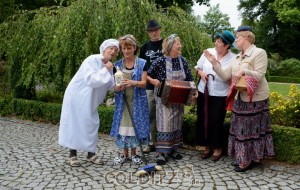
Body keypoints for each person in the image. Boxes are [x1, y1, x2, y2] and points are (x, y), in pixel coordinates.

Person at [204, 26, 275, 172]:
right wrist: (213, 63)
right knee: (241, 131)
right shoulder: (236, 57)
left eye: (238, 37)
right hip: (240, 98)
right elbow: (225, 76)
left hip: (256, 99)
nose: (236, 40)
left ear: (247, 37)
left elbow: (260, 75)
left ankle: (249, 160)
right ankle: (244, 157)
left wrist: (244, 71)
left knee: (253, 131)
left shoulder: (259, 53)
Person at [58, 39, 119, 167]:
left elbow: (110, 84)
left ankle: (91, 154)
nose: (113, 51)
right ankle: (72, 155)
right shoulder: (92, 60)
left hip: (90, 100)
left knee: (92, 123)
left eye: (115, 50)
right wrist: (105, 70)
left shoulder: (110, 66)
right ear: (104, 49)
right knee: (75, 124)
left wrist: (120, 86)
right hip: (77, 98)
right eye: (111, 48)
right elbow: (92, 79)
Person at [147, 34, 196, 165]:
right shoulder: (160, 61)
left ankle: (173, 149)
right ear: (170, 46)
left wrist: (194, 92)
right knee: (165, 123)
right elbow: (147, 75)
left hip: (179, 98)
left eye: (179, 43)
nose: (180, 46)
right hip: (163, 98)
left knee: (176, 122)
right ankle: (161, 153)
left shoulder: (183, 61)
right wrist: (154, 81)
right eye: (178, 44)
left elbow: (190, 79)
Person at [195, 30, 236, 161]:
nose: (216, 43)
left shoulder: (233, 58)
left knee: (216, 120)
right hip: (204, 91)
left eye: (219, 42)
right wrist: (201, 74)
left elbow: (229, 79)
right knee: (203, 118)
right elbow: (198, 67)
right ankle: (206, 146)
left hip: (220, 94)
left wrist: (215, 65)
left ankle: (218, 147)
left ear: (227, 45)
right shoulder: (208, 51)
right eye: (216, 41)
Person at [110, 34, 150, 165]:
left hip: (137, 101)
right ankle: (123, 154)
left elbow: (144, 83)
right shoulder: (116, 65)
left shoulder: (142, 63)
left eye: (129, 48)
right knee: (123, 127)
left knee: (135, 126)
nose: (126, 51)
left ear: (134, 48)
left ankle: (134, 154)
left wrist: (132, 82)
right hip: (122, 101)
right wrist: (119, 87)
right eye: (124, 48)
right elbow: (114, 86)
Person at [139, 19, 164, 153]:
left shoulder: (166, 44)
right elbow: (142, 69)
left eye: (156, 30)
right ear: (148, 33)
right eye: (151, 31)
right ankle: (151, 142)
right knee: (151, 114)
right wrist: (150, 79)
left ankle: (165, 143)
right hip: (149, 85)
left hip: (164, 85)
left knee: (165, 114)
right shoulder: (144, 47)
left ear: (160, 30)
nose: (154, 33)